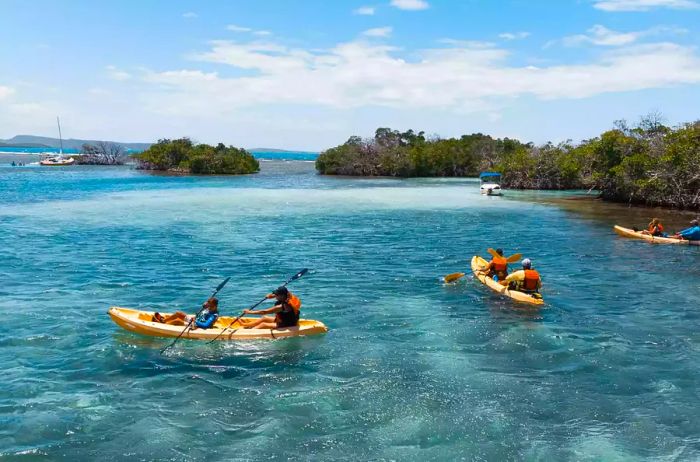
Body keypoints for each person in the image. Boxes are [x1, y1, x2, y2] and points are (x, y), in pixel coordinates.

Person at [152, 298, 219, 330]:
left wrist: (195, 321)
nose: (207, 305)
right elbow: (204, 308)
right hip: (194, 321)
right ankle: (163, 321)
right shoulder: (208, 308)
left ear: (214, 306)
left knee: (177, 321)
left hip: (197, 325)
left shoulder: (213, 315)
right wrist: (205, 304)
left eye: (209, 304)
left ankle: (162, 324)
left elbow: (205, 325)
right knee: (178, 314)